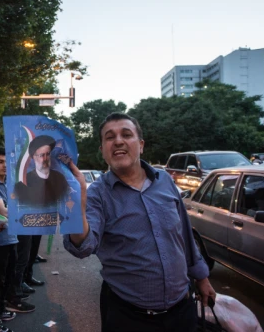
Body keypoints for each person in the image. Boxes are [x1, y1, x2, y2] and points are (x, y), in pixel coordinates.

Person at [63, 113, 216, 332]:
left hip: (182, 310)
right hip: (128, 317)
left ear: (141, 145)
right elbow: (83, 246)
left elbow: (184, 234)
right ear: (102, 151)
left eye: (126, 134)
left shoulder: (164, 181)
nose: (118, 141)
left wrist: (201, 278)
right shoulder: (97, 194)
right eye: (109, 137)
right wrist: (78, 203)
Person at [0, 147, 35, 332]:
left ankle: (1, 309)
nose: (4, 165)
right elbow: (3, 211)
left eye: (7, 162)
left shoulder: (7, 184)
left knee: (7, 279)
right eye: (0, 162)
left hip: (11, 238)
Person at [15, 135, 69, 206]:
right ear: (33, 157)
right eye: (41, 155)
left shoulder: (60, 179)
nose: (45, 159)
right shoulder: (23, 184)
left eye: (48, 154)